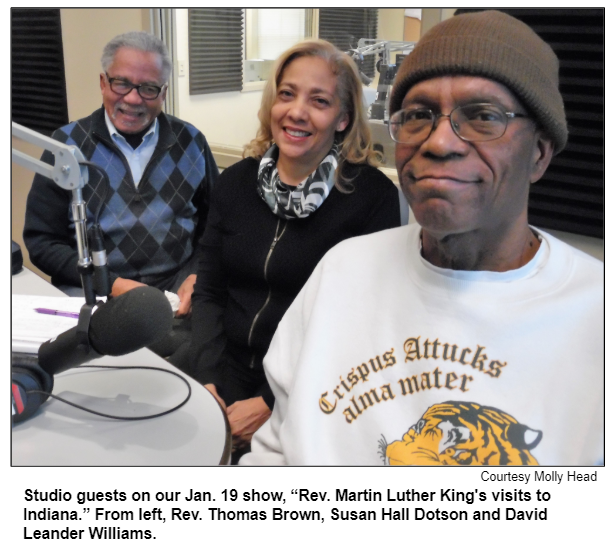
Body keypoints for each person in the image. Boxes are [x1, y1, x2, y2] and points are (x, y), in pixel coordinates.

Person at [241, 11, 603, 466]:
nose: (439, 142)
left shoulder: (596, 317)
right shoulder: (343, 270)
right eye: (417, 115)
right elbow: (272, 456)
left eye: (483, 116)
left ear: (539, 154)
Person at [187, 39, 401, 459]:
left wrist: (271, 403)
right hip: (221, 370)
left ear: (342, 118)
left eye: (319, 101)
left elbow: (354, 327)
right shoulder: (235, 182)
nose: (297, 111)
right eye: (287, 94)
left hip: (305, 388)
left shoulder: (371, 197)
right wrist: (208, 381)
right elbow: (209, 290)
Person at [24, 31, 219, 362]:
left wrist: (198, 274)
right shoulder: (67, 147)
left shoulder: (192, 142)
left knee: (195, 371)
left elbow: (216, 226)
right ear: (103, 82)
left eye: (148, 88)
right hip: (97, 294)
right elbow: (42, 242)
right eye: (121, 83)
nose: (133, 98)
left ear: (163, 93)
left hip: (178, 296)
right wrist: (112, 284)